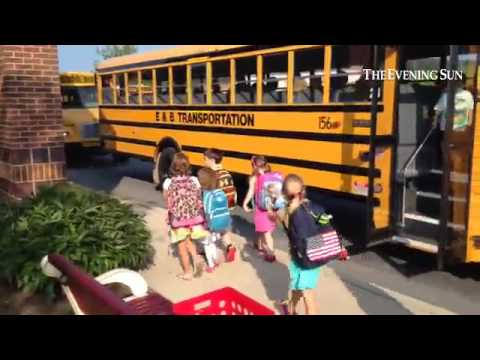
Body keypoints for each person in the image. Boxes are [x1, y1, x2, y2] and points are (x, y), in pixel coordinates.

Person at [434, 78, 474, 229]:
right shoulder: (469, 96)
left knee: (448, 168)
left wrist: (433, 122)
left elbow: (437, 112)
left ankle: (448, 197)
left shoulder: (446, 96)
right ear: (463, 83)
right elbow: (470, 117)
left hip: (449, 135)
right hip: (463, 135)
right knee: (459, 170)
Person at [279, 174, 322, 315]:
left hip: (303, 258)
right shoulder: (312, 206)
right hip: (315, 253)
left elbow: (291, 234)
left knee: (309, 298)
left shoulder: (290, 213)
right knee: (298, 286)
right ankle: (291, 308)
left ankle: (291, 308)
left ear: (285, 194)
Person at [163, 152, 208, 281]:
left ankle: (187, 272)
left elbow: (166, 199)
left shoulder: (168, 182)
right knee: (189, 240)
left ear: (173, 166)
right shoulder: (194, 180)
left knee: (181, 246)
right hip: (194, 218)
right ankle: (196, 257)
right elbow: (199, 195)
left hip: (178, 220)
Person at [242, 155, 278, 263]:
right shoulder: (272, 176)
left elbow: (251, 192)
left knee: (266, 233)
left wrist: (245, 203)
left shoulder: (254, 178)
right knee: (262, 229)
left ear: (254, 166)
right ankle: (258, 245)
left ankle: (270, 254)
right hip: (272, 208)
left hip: (261, 209)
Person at [204, 148, 237, 262]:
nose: (204, 162)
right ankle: (230, 246)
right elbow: (231, 190)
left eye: (206, 159)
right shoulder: (226, 173)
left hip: (215, 209)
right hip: (227, 207)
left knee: (210, 232)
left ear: (212, 160)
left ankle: (212, 256)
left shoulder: (211, 175)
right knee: (224, 229)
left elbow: (208, 194)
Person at [197, 167, 232, 273]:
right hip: (222, 222)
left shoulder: (207, 195)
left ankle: (211, 265)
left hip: (211, 224)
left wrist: (206, 226)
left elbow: (207, 212)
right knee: (213, 242)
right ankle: (215, 259)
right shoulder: (220, 192)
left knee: (207, 244)